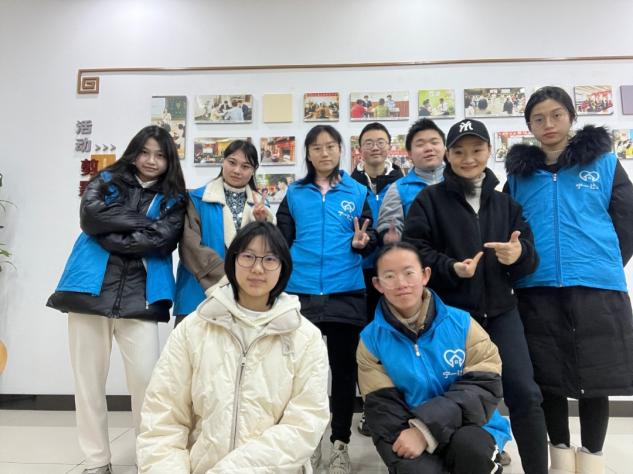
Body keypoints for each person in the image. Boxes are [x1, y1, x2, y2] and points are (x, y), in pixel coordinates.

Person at [403, 118, 549, 474]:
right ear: (448, 155)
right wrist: (452, 267)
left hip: (501, 312)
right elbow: (415, 251)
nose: (468, 158)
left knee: (525, 392)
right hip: (450, 316)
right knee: (451, 394)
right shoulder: (428, 201)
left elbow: (529, 257)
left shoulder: (506, 205)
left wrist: (519, 255)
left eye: (476, 150)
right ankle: (466, 458)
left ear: (488, 151)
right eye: (459, 151)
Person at [505, 86, 633, 474]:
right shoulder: (519, 175)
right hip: (537, 286)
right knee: (549, 378)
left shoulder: (604, 162)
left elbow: (627, 220)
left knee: (597, 377)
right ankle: (559, 456)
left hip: (597, 287)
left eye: (557, 115)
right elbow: (509, 228)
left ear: (571, 117)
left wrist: (601, 262)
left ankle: (591, 459)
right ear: (529, 125)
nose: (549, 124)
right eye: (539, 118)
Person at [47, 125, 187, 474]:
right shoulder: (108, 180)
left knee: (147, 384)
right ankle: (97, 461)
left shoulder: (174, 198)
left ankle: (149, 458)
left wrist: (110, 234)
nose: (151, 160)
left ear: (169, 160)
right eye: (145, 152)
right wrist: (143, 224)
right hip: (89, 291)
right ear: (134, 152)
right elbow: (90, 217)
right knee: (88, 382)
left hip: (143, 296)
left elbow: (161, 240)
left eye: (160, 155)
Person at [137, 221, 330, 473]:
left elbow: (303, 425)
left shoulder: (305, 337)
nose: (257, 268)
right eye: (248, 256)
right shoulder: (194, 328)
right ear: (233, 260)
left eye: (270, 259)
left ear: (283, 267)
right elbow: (163, 417)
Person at [357, 242, 510, 474]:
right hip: (406, 431)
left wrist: (425, 430)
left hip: (469, 424)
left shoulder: (462, 324)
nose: (401, 283)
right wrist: (415, 434)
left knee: (472, 449)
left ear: (425, 275)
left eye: (409, 273)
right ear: (377, 284)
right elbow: (382, 407)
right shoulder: (371, 341)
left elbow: (485, 385)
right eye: (389, 276)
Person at [276, 124, 377, 474]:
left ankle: (339, 444)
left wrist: (365, 243)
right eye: (317, 147)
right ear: (307, 153)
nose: (324, 152)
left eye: (331, 146)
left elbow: (372, 237)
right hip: (300, 292)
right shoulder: (294, 193)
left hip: (345, 290)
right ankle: (306, 445)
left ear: (340, 150)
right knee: (300, 374)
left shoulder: (358, 192)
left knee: (344, 372)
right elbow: (281, 243)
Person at [174, 140, 274, 325]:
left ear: (253, 170)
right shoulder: (197, 198)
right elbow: (190, 246)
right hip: (198, 292)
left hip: (244, 297)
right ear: (223, 162)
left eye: (245, 166)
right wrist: (227, 279)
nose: (237, 170)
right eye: (232, 162)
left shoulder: (261, 205)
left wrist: (262, 224)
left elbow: (268, 253)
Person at [351, 122, 403, 436]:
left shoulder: (403, 181)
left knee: (396, 340)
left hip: (396, 274)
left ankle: (400, 408)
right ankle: (371, 409)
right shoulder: (350, 184)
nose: (375, 147)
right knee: (366, 343)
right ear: (359, 149)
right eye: (368, 142)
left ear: (389, 146)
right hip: (359, 274)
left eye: (380, 141)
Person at [377, 118, 446, 244]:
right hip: (417, 254)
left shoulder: (460, 181)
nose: (428, 148)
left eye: (434, 142)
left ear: (445, 147)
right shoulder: (398, 189)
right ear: (409, 153)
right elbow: (388, 225)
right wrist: (390, 237)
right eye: (420, 144)